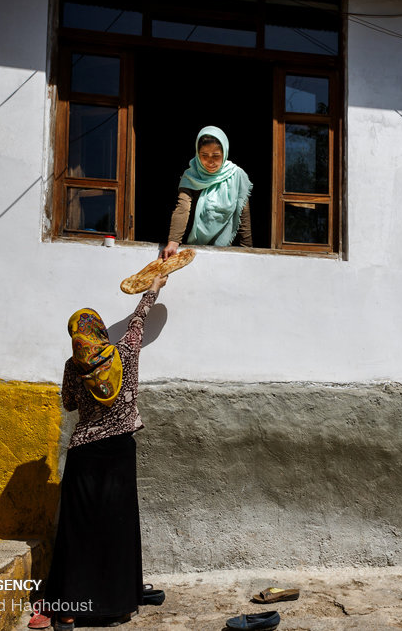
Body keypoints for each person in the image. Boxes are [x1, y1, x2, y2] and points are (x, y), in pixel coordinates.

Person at [38, 274, 167, 631]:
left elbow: (67, 405)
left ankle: (66, 611)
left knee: (78, 532)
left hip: (83, 455)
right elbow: (139, 318)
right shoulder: (125, 352)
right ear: (100, 331)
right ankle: (119, 602)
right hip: (119, 453)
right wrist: (155, 286)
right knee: (117, 527)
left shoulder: (72, 367)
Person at [161, 126, 253, 259]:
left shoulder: (237, 176)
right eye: (204, 155)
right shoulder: (191, 175)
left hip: (225, 250)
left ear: (225, 153)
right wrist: (173, 242)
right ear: (197, 155)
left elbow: (243, 217)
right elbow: (182, 208)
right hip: (192, 247)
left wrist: (248, 251)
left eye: (216, 156)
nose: (210, 161)